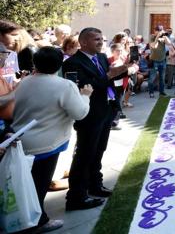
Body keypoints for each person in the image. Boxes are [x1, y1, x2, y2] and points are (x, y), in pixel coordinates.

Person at [12, 47, 92, 232]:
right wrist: (85, 96)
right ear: (59, 64)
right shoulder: (65, 85)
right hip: (46, 145)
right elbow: (80, 113)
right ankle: (38, 222)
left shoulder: (24, 82)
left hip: (21, 140)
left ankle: (25, 218)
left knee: (27, 184)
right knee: (39, 185)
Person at [61, 27, 128, 210]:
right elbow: (86, 87)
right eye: (96, 39)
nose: (101, 42)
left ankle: (95, 185)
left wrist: (124, 70)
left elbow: (107, 81)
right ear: (83, 42)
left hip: (105, 110)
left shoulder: (101, 58)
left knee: (99, 151)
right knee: (84, 154)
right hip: (89, 115)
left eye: (102, 39)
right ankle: (76, 196)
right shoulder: (73, 63)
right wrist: (109, 75)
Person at [149, 30, 172, 97]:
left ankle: (162, 92)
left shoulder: (163, 38)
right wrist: (157, 37)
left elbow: (169, 43)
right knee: (152, 78)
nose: (160, 32)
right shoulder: (152, 37)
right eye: (158, 31)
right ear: (155, 31)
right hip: (154, 61)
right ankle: (151, 92)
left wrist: (165, 36)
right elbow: (154, 46)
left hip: (162, 60)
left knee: (162, 78)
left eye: (161, 31)